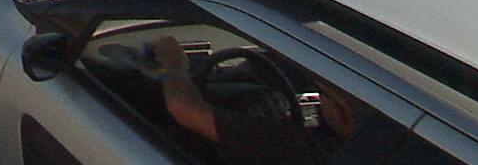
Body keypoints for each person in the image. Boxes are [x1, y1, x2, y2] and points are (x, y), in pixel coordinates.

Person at [145, 35, 358, 165]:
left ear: (343, 113)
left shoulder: (295, 148)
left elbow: (184, 109)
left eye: (322, 94)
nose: (319, 101)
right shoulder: (370, 146)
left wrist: (174, 66)